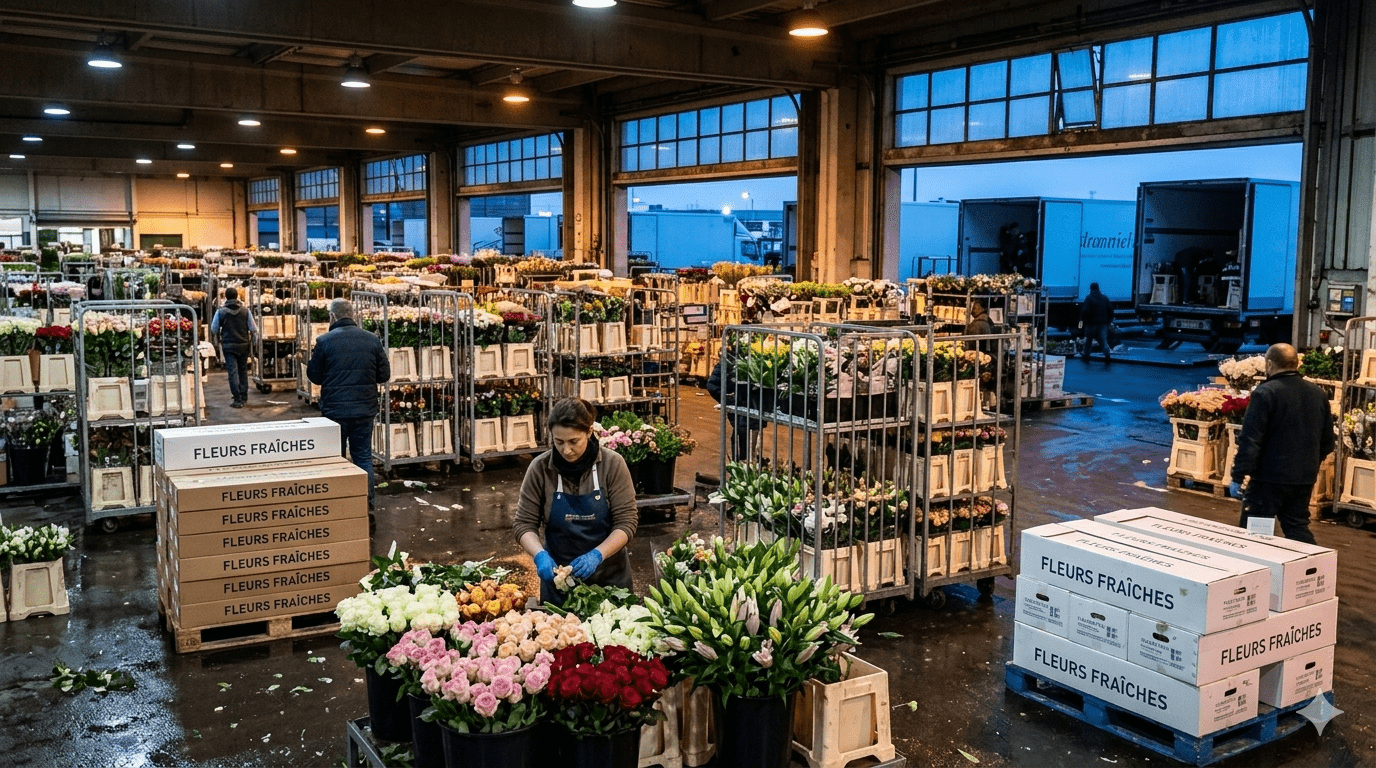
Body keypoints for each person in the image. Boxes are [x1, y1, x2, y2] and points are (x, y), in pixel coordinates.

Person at [516, 398, 637, 606]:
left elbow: (626, 523)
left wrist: (597, 555)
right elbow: (524, 524)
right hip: (559, 585)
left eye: (574, 441)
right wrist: (539, 555)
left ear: (589, 432)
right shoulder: (540, 469)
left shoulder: (612, 465)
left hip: (610, 582)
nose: (566, 450)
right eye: (558, 442)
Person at [1229, 344, 1335, 544]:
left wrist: (1238, 476)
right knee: (1296, 527)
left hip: (1268, 481)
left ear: (1269, 364)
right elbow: (1328, 441)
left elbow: (1251, 440)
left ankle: (1259, 572)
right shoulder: (1318, 394)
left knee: (1257, 533)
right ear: (1296, 364)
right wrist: (1308, 465)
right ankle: (1313, 568)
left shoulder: (1265, 393)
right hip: (1303, 479)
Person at [307, 298, 390, 511]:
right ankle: (367, 504)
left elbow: (314, 376)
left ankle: (340, 506)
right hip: (365, 409)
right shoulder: (372, 340)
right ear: (352, 315)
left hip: (334, 410)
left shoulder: (324, 341)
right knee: (363, 457)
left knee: (337, 458)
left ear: (333, 316)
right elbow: (384, 375)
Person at [210, 287, 258, 408]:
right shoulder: (245, 311)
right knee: (243, 370)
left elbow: (214, 328)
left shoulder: (221, 311)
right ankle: (244, 395)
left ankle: (237, 399)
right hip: (243, 344)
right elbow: (253, 328)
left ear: (226, 297)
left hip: (228, 345)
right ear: (237, 296)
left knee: (232, 372)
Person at [707, 358, 752, 461]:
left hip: (752, 409)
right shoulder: (729, 361)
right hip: (739, 409)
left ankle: (742, 466)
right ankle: (739, 467)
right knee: (742, 434)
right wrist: (729, 400)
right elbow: (712, 385)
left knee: (745, 436)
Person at [1079, 282, 1114, 362]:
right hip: (1103, 324)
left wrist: (1084, 321)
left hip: (1091, 324)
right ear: (1098, 288)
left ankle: (1086, 356)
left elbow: (1084, 311)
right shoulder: (1104, 298)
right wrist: (1108, 321)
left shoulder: (1089, 298)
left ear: (1091, 289)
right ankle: (1107, 356)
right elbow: (1111, 310)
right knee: (1103, 341)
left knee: (1089, 341)